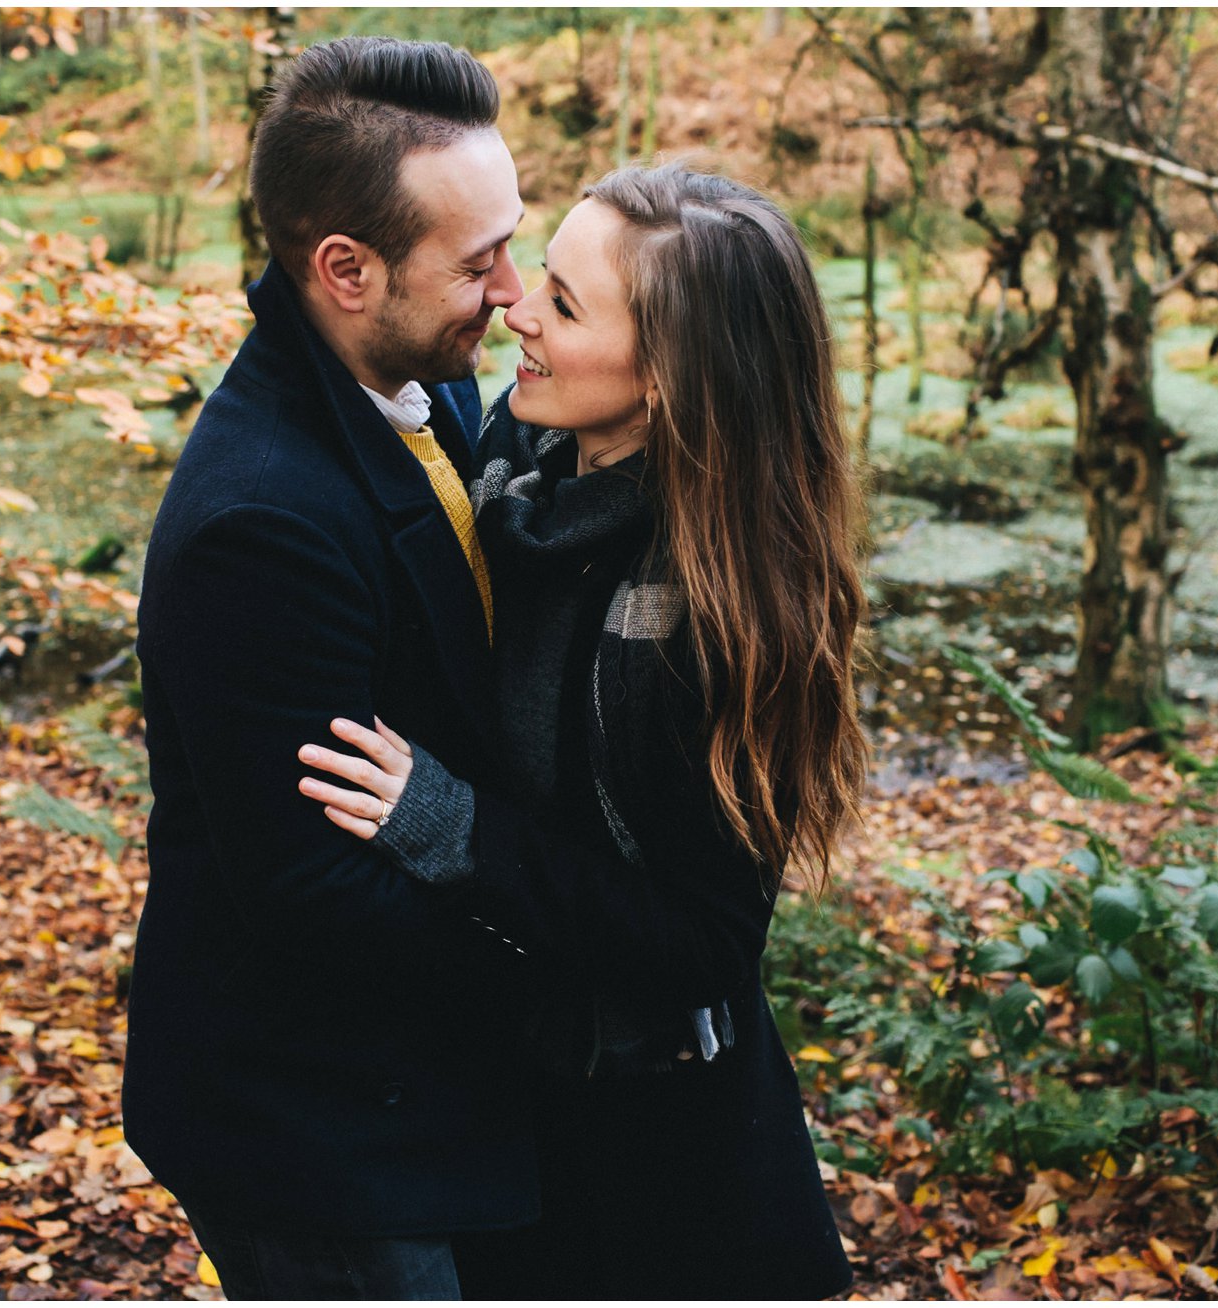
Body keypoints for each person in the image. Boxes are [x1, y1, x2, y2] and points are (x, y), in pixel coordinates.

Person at [296, 163, 871, 1299]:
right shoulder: (516, 472)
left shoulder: (715, 617)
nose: (515, 308)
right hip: (510, 1103)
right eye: (535, 280)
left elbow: (705, 943)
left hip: (658, 1156)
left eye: (562, 305)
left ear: (668, 384)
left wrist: (451, 830)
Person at [122, 37, 537, 1299]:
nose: (514, 292)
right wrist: (575, 944)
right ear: (345, 270)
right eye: (477, 263)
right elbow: (314, 896)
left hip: (427, 1090)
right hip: (317, 1134)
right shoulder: (263, 521)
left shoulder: (415, 382)